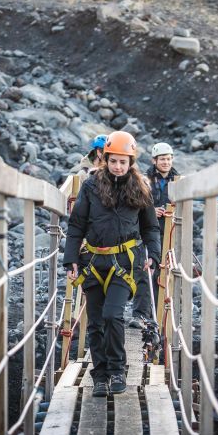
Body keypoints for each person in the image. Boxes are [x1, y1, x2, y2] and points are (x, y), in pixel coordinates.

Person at [64, 130, 161, 396]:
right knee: (95, 321)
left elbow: (151, 228)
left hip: (124, 262)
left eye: (123, 161)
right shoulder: (91, 186)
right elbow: (76, 225)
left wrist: (153, 255)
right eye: (114, 161)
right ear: (105, 159)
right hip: (93, 260)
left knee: (112, 315)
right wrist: (70, 258)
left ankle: (118, 369)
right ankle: (101, 375)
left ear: (131, 162)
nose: (118, 166)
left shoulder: (140, 188)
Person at [130, 142, 180, 328]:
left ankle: (160, 315)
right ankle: (140, 314)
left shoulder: (179, 181)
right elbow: (136, 203)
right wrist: (152, 210)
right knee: (145, 270)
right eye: (162, 159)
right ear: (154, 160)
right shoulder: (144, 180)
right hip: (147, 232)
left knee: (164, 271)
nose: (166, 162)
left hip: (169, 232)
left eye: (169, 159)